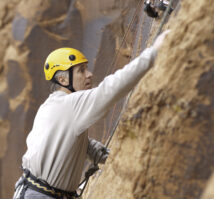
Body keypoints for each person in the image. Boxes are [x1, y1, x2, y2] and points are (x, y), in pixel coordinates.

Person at [13, 31, 169, 199]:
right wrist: (153, 53)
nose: (89, 74)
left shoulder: (52, 106)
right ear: (63, 81)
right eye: (81, 70)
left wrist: (108, 155)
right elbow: (109, 90)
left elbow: (75, 143)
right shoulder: (68, 105)